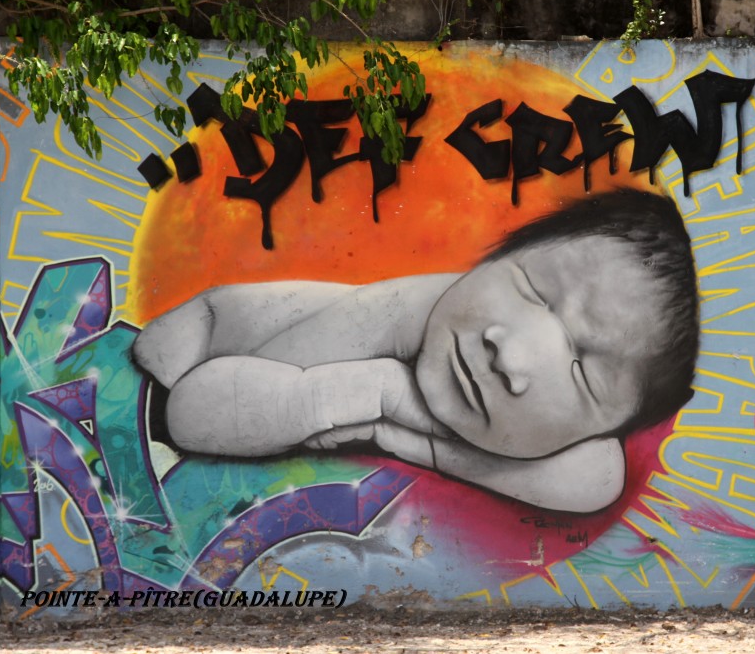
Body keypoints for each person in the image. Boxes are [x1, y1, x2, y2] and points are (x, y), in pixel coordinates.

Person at [133, 189, 699, 513]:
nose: (511, 355)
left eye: (584, 376)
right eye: (532, 290)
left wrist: (415, 436)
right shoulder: (408, 309)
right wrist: (373, 388)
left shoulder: (591, 455)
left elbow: (597, 483)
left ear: (608, 427)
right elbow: (192, 413)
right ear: (492, 261)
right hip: (206, 337)